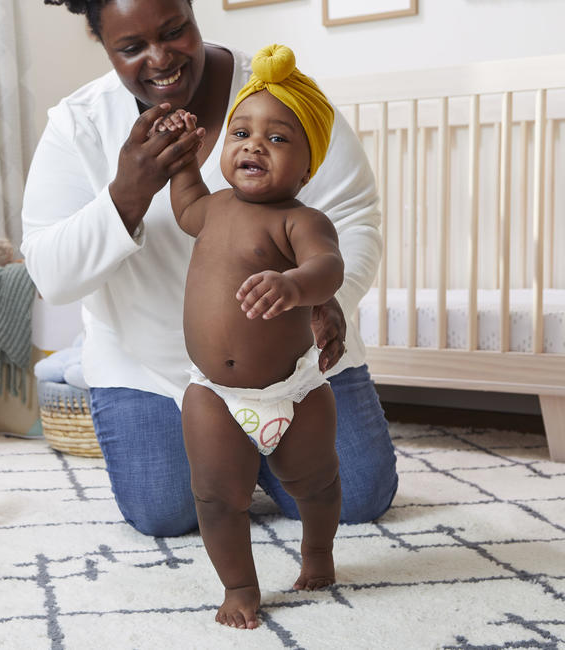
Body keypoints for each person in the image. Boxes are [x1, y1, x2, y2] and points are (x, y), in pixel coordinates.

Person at [24, 0, 397, 542]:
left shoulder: (282, 94)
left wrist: (323, 296)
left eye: (175, 31)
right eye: (131, 48)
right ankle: (241, 455)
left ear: (193, 12)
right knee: (167, 513)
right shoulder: (78, 125)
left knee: (357, 500)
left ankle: (255, 454)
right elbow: (50, 277)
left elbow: (354, 215)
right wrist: (126, 192)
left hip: (293, 361)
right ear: (103, 44)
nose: (160, 59)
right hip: (151, 366)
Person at [156, 44, 343, 628]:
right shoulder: (212, 208)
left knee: (314, 482)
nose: (254, 144)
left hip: (294, 392)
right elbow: (183, 203)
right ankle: (240, 587)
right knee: (215, 497)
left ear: (308, 165)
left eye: (279, 137)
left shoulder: (301, 220)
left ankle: (317, 552)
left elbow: (328, 266)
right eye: (240, 131)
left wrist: (294, 285)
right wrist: (183, 159)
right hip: (214, 393)